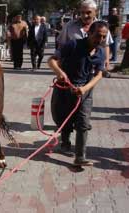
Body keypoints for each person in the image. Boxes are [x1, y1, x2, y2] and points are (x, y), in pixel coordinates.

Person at [48, 21, 108, 166]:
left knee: (83, 123)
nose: (99, 40)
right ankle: (65, 138)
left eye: (103, 37)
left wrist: (85, 89)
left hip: (85, 92)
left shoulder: (100, 52)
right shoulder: (73, 45)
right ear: (89, 33)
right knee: (63, 119)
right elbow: (51, 60)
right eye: (97, 36)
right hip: (65, 89)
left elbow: (99, 74)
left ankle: (80, 156)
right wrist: (60, 72)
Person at [57, 0, 113, 78]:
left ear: (95, 12)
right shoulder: (69, 26)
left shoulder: (103, 27)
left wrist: (106, 60)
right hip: (72, 70)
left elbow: (106, 45)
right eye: (82, 12)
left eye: (88, 12)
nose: (84, 15)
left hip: (92, 69)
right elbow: (61, 44)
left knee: (88, 88)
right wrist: (58, 67)